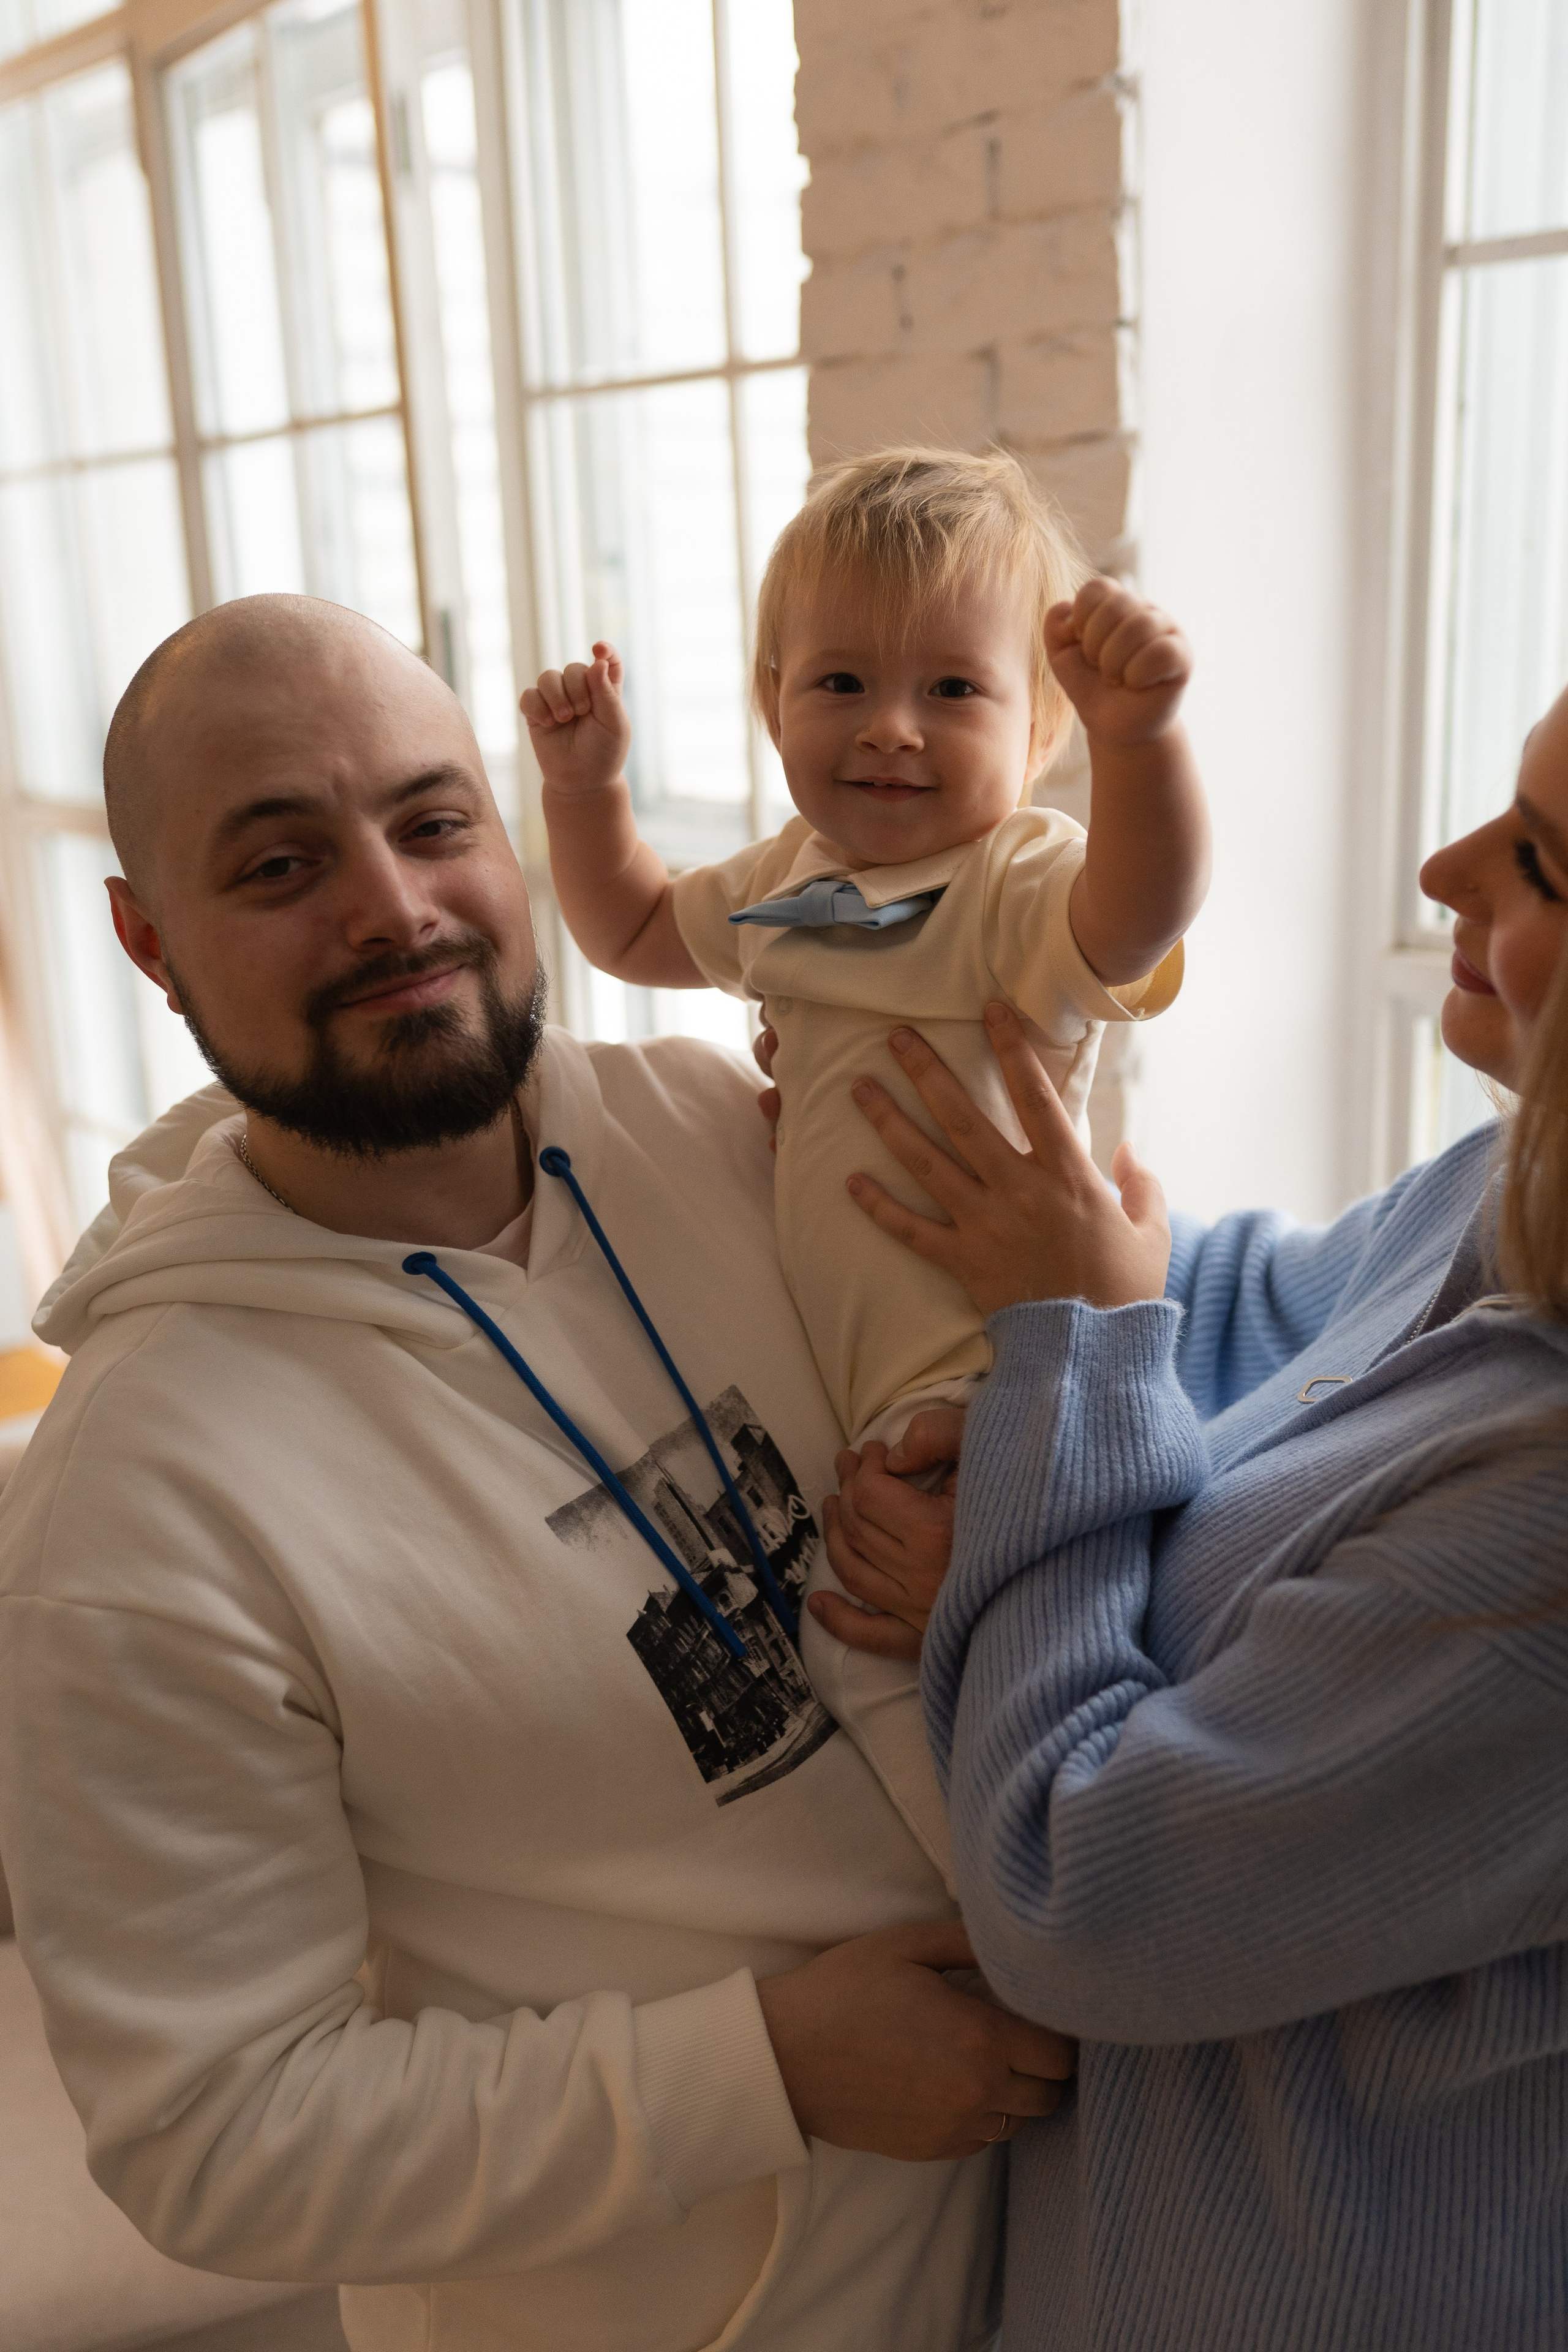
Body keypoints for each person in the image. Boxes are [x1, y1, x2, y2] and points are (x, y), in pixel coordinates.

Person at [0, 594, 1076, 2352]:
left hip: (1054, 2251)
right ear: (148, 937)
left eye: (433, 823)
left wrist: (1048, 1419)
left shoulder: (731, 1128)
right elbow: (217, 2139)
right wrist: (767, 2071)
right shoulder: (133, 1506)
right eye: (279, 867)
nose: (392, 908)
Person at [812, 680, 1568, 2350]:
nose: (1442, 873)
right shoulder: (1512, 1190)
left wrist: (1057, 1402)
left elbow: (1073, 1893)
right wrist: (957, 1141)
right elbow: (1232, 1321)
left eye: (1537, 863)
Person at [524, 448, 1208, 1455]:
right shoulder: (783, 876)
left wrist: (1142, 743)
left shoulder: (1012, 879)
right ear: (775, 708)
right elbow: (632, 930)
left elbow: (1142, 915)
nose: (891, 728)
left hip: (1001, 1372)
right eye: (842, 682)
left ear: (1039, 729)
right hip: (853, 1394)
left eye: (953, 689)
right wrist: (586, 794)